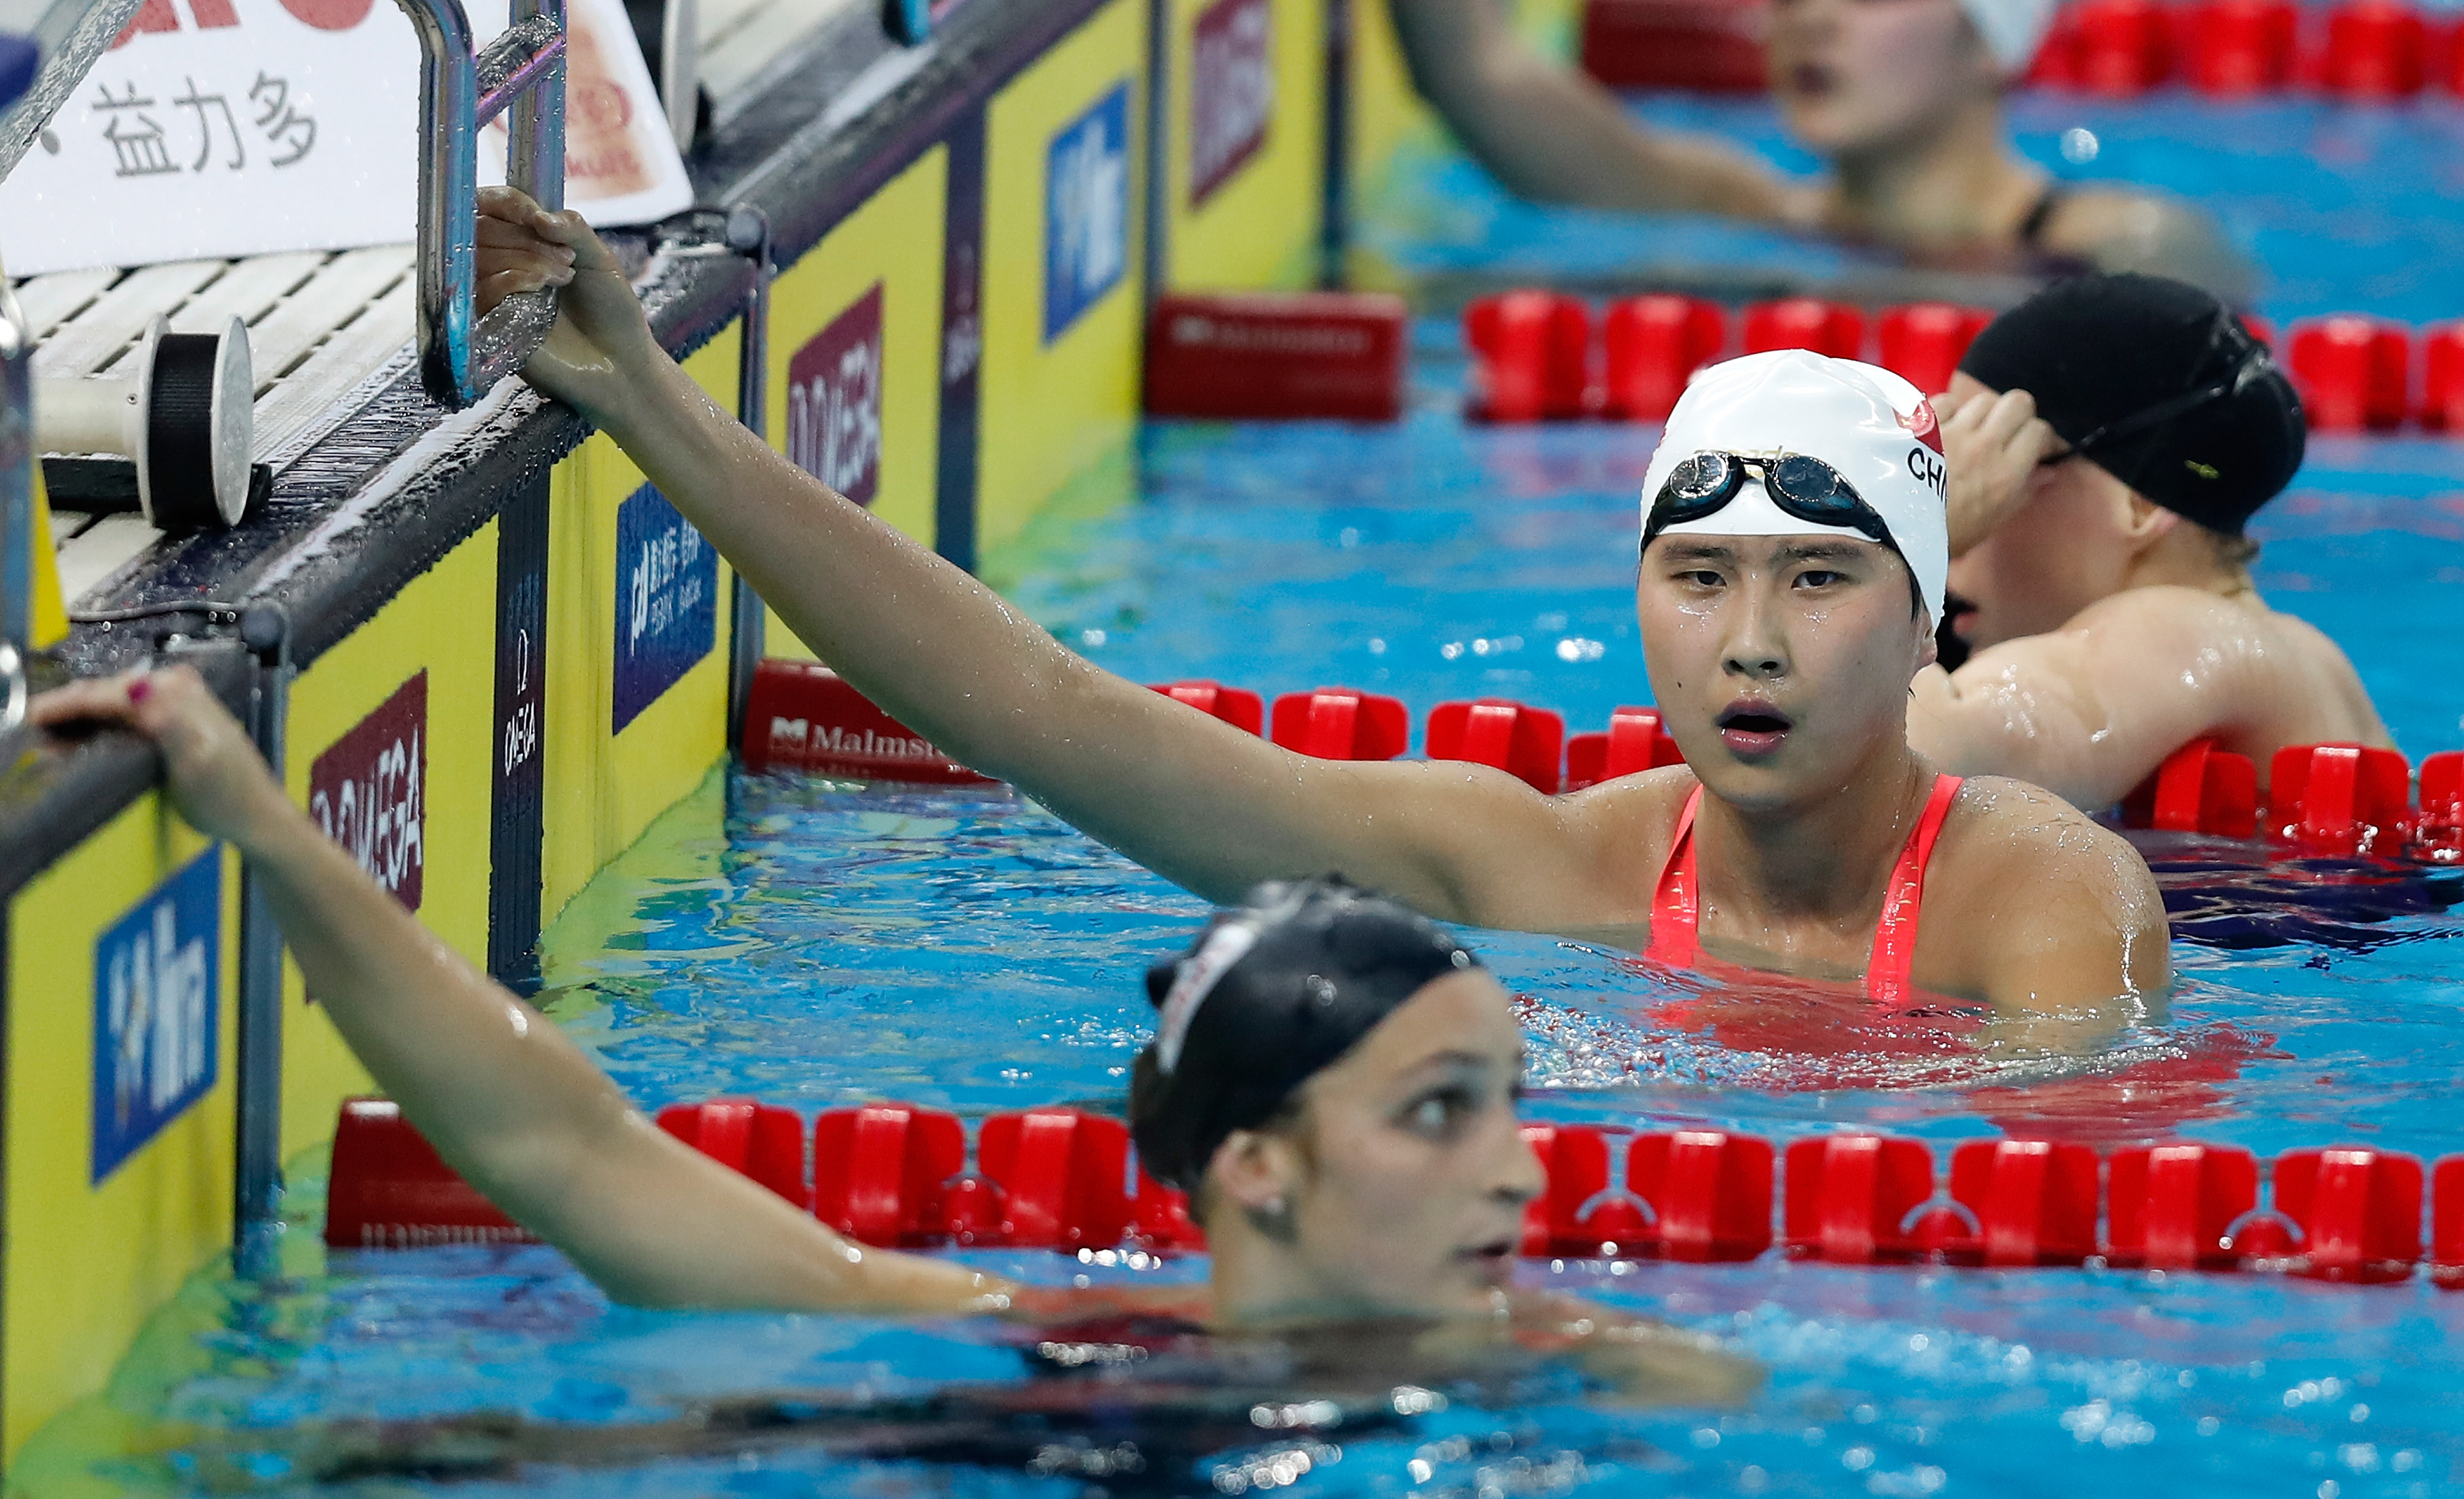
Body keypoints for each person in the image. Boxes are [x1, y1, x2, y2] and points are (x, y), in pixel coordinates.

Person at [471, 185, 2168, 1049]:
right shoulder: (1547, 866)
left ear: (1934, 610)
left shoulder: (2040, 900)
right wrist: (651, 403)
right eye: (1698, 576)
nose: (1750, 642)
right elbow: (1051, 721)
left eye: (1820, 579)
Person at [33, 663, 1756, 1399]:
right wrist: (262, 824)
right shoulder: (1043, 1354)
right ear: (1254, 1166)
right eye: (1444, 1110)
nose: (1526, 1168)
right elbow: (564, 1147)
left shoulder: (1617, 1385)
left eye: (1511, 1103)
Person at [1908, 272, 2394, 812]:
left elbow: (1908, 772)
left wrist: (1914, 534)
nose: (1964, 516)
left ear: (2139, 504)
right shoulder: (2292, 649)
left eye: (1991, 472)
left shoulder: (2186, 630)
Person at [1384, 0, 2251, 299]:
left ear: (1991, 42)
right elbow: (1478, 76)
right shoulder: (1732, 207)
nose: (1813, 20)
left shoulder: (2132, 247)